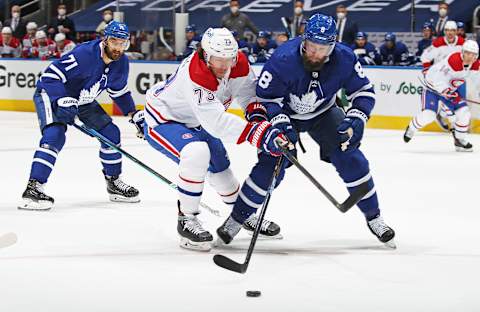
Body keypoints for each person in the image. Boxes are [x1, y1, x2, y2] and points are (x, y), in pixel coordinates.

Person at [216, 14, 396, 248]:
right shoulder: (283, 59)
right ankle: (237, 219)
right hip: (286, 114)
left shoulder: (345, 58)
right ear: (304, 40)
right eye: (311, 46)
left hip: (324, 113)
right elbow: (266, 98)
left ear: (332, 46)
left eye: (322, 49)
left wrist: (358, 117)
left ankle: (375, 217)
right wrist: (280, 123)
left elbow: (363, 91)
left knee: (351, 157)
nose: (315, 53)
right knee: (271, 164)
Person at [143, 27, 287, 251]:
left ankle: (243, 214)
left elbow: (248, 94)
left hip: (198, 120)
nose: (223, 66)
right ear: (204, 54)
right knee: (197, 152)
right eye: (217, 60)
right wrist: (259, 135)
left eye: (228, 59)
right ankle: (186, 219)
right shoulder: (196, 73)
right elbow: (217, 124)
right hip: (164, 118)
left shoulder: (238, 63)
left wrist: (259, 119)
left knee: (220, 165)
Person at [19, 21, 142, 211]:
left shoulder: (121, 63)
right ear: (105, 39)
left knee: (111, 134)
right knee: (55, 135)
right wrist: (60, 99)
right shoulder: (84, 55)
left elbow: (119, 92)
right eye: (114, 42)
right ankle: (33, 188)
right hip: (52, 92)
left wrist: (134, 115)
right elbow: (50, 76)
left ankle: (113, 182)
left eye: (122, 43)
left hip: (82, 100)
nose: (118, 48)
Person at [404, 40, 478, 152]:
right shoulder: (454, 60)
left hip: (449, 91)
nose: (469, 56)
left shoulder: (476, 65)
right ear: (462, 52)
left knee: (464, 112)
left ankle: (459, 140)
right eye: (467, 53)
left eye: (472, 54)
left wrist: (450, 93)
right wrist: (448, 92)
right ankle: (412, 128)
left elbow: (477, 81)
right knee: (429, 115)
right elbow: (438, 79)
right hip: (432, 88)